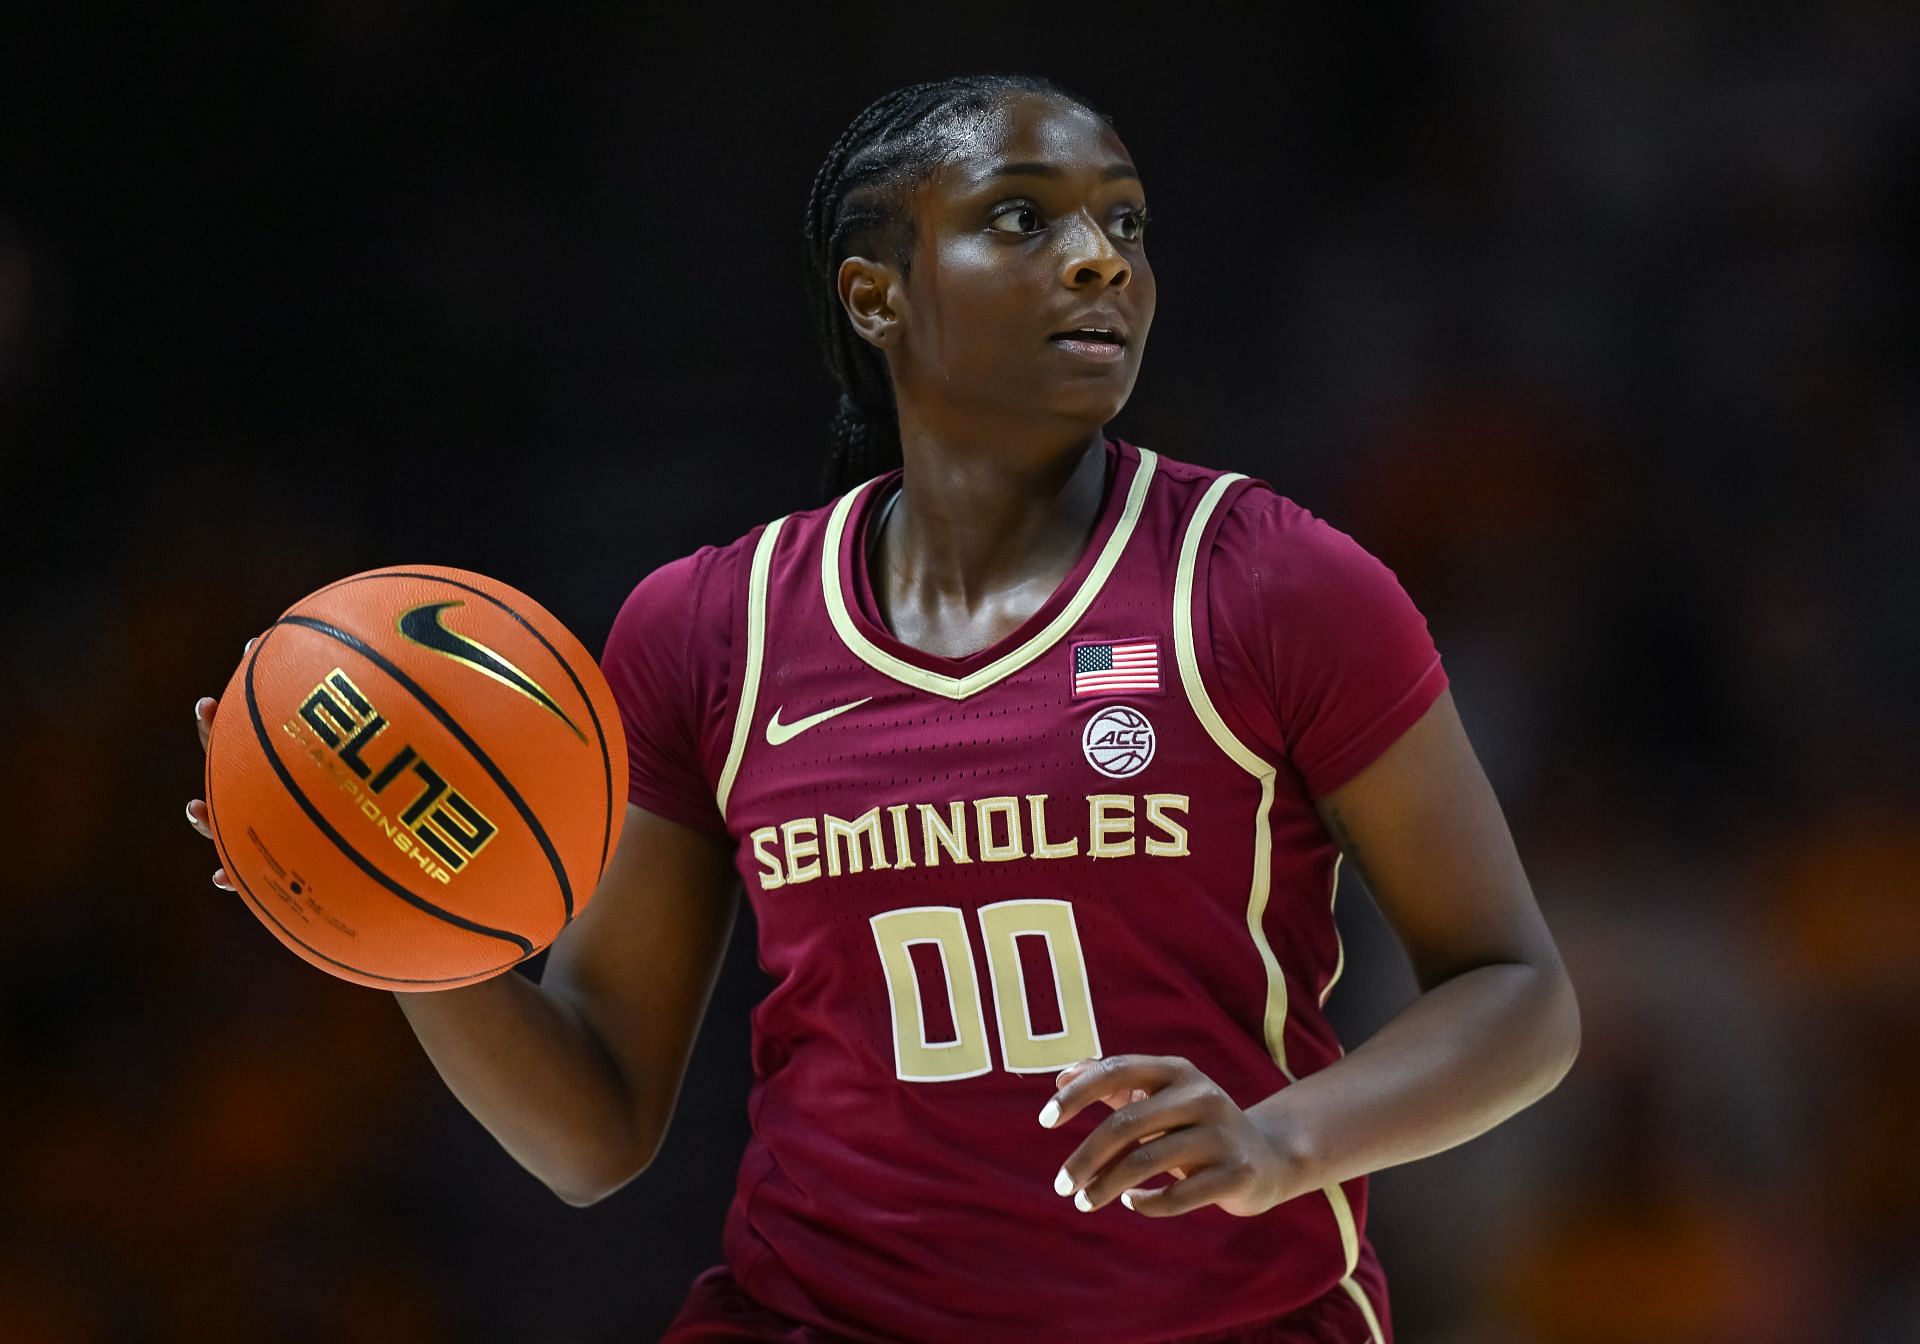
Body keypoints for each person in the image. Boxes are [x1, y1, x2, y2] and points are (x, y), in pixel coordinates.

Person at [186, 73, 1580, 1344]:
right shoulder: (708, 629)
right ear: (876, 295)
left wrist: (1285, 1141)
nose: (1102, 258)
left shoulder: (1272, 583)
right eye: (1023, 218)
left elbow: (1519, 994)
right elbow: (592, 1127)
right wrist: (395, 926)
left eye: (1127, 223)